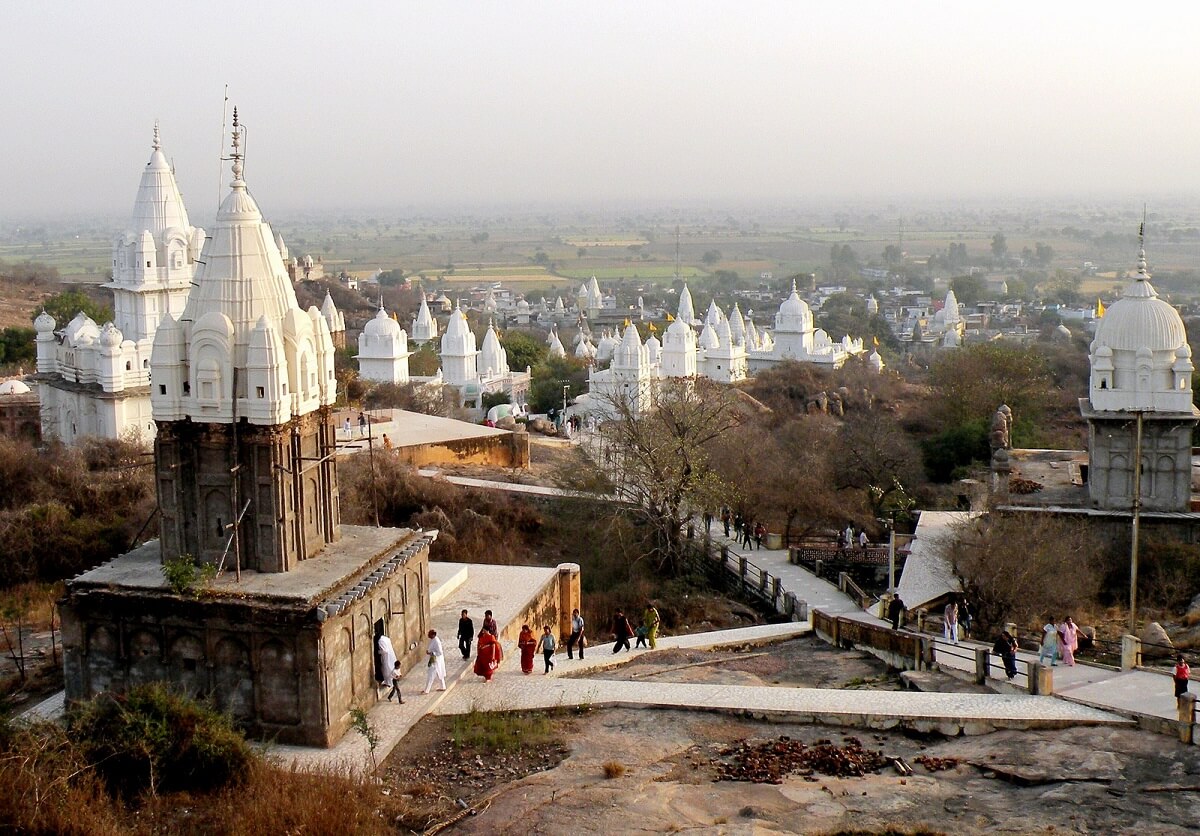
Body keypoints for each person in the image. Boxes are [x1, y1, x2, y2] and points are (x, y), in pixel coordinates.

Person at [423, 629, 447, 693]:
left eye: (429, 634)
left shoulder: (436, 641)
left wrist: (431, 653)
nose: (428, 635)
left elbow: (440, 652)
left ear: (433, 635)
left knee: (431, 675)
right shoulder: (433, 640)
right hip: (434, 659)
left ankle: (426, 690)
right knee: (439, 673)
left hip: (436, 660)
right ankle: (443, 686)